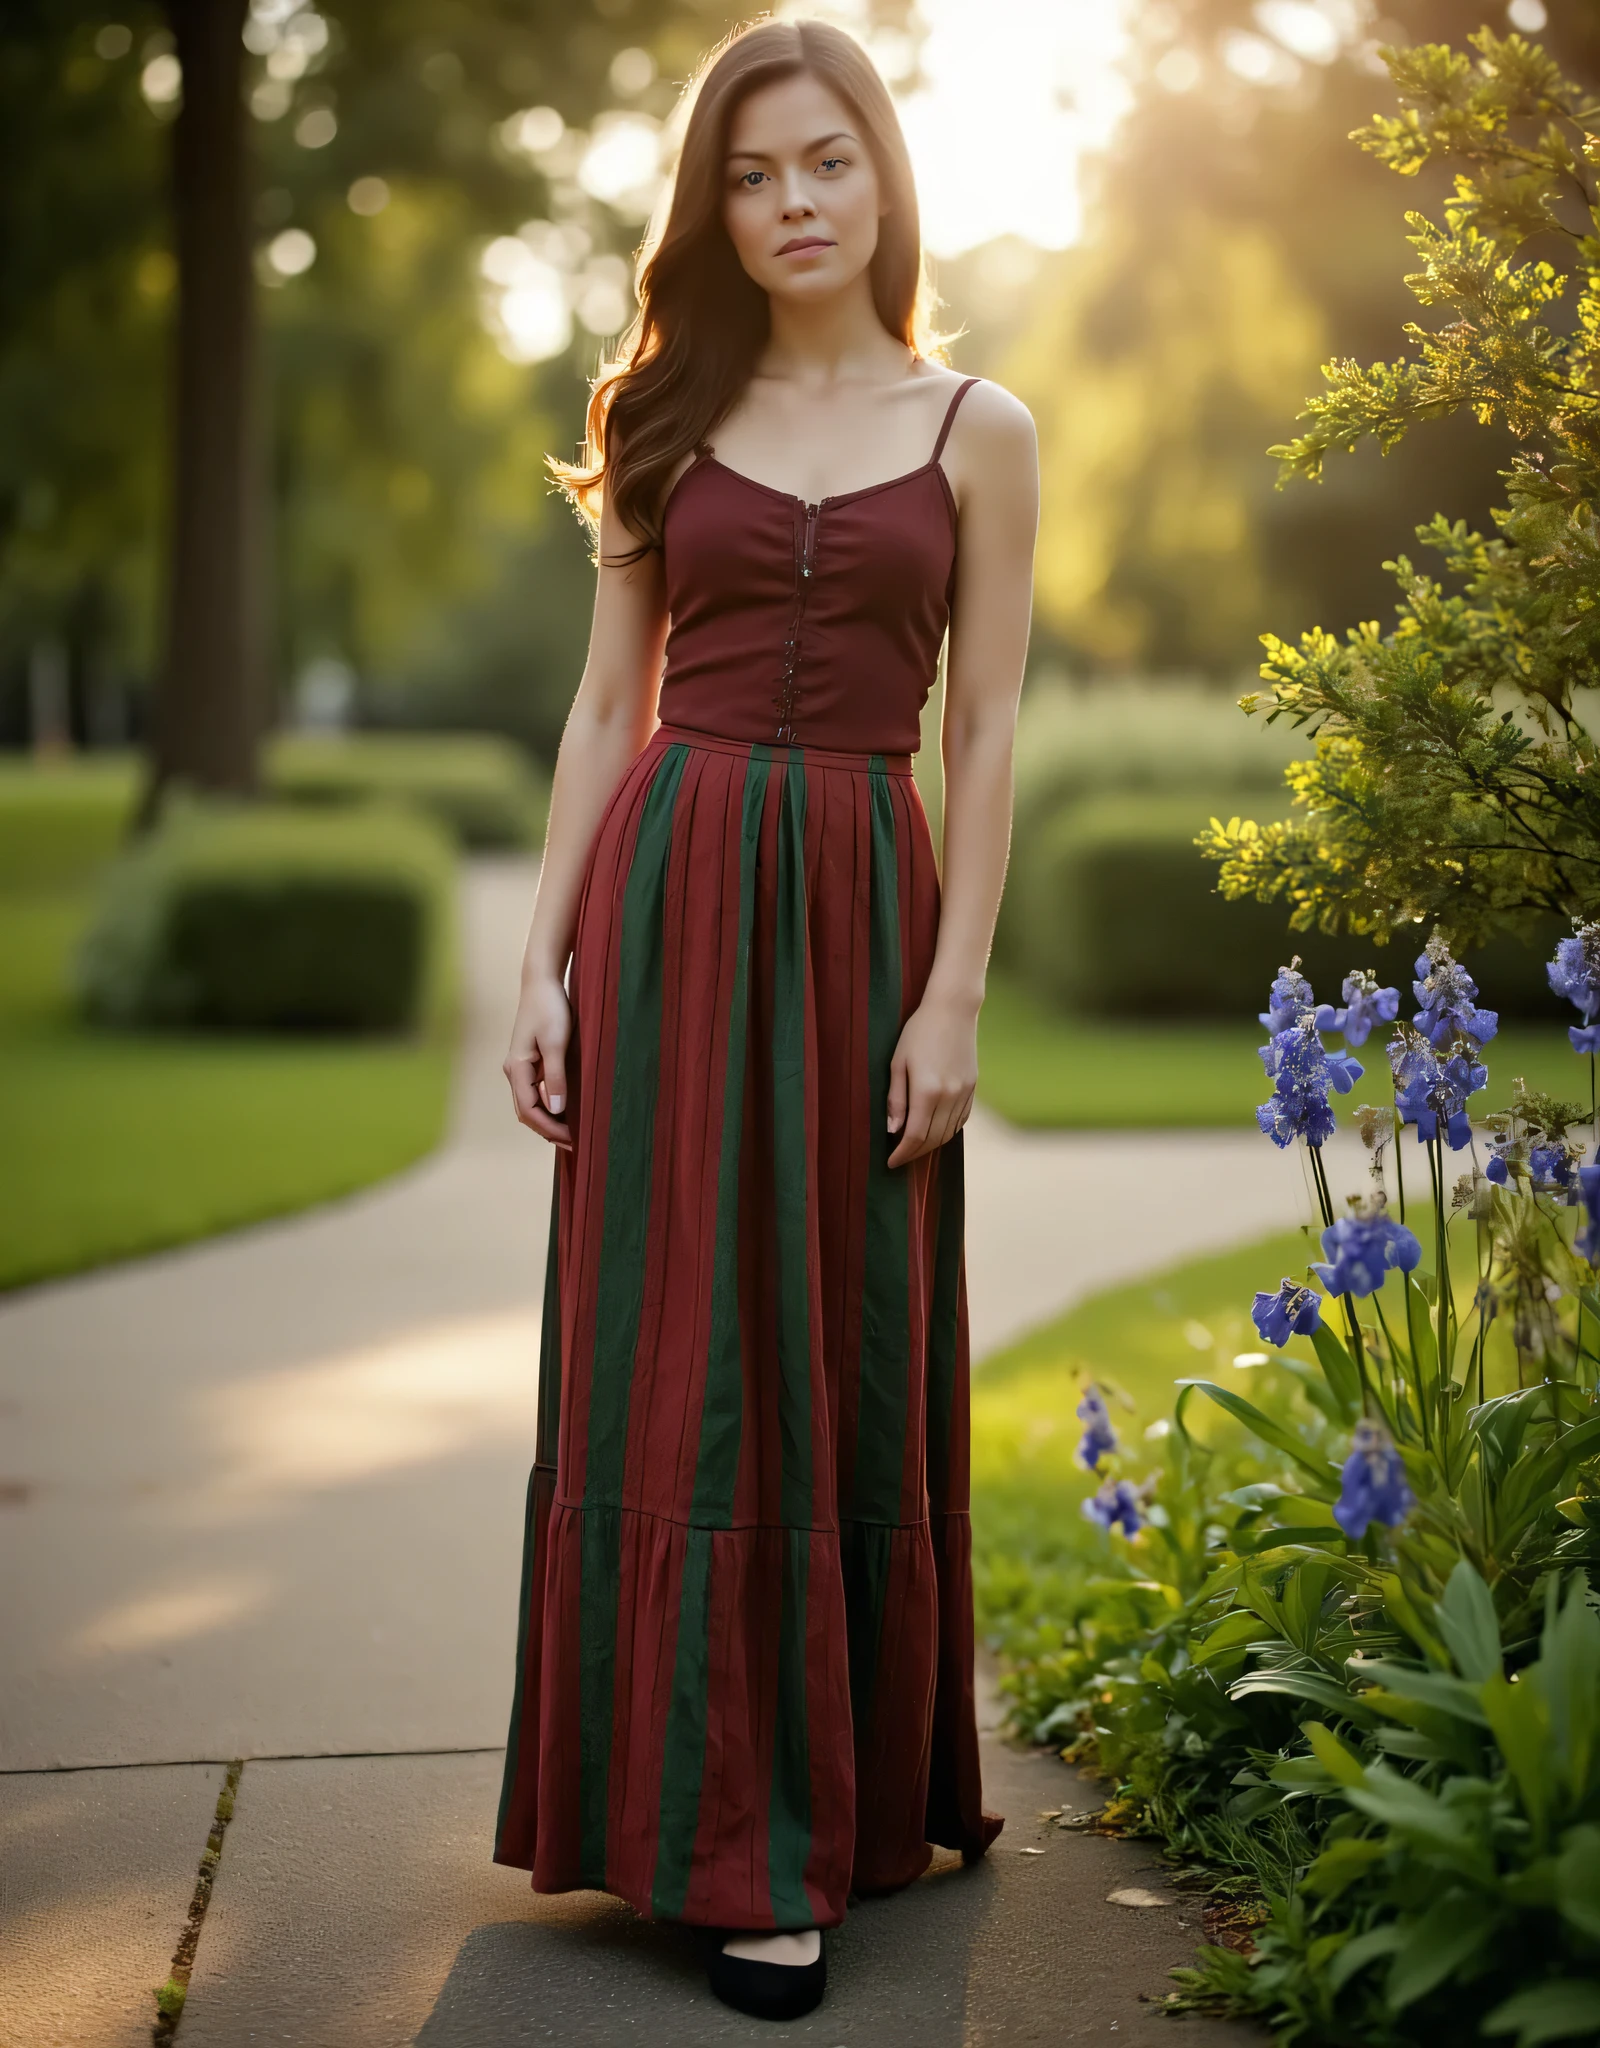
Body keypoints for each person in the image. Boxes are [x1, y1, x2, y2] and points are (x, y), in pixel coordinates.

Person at [495, 15, 1037, 2024]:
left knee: (841, 1335)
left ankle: (847, 1786)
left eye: (825, 162)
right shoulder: (661, 411)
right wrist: (542, 958)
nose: (792, 200)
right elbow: (598, 703)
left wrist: (953, 988)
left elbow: (981, 727)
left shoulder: (980, 424)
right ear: (708, 205)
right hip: (672, 892)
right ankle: (718, 1839)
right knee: (688, 1346)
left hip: (862, 912)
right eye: (750, 172)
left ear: (883, 177)